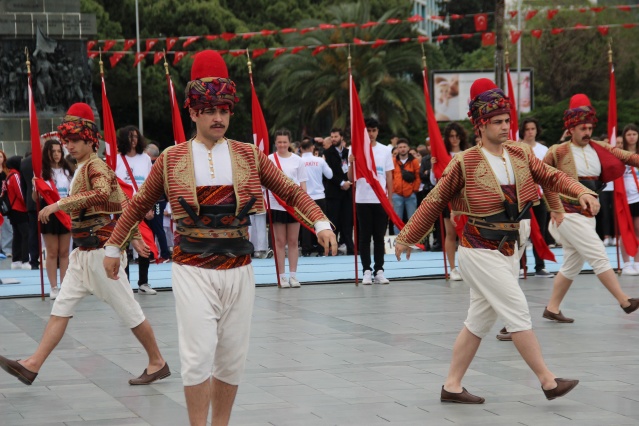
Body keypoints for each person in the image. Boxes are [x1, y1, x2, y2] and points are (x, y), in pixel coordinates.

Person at [101, 50, 336, 426]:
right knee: (197, 356)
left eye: (224, 110)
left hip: (240, 267)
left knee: (231, 357)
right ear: (193, 112)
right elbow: (137, 203)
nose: (218, 117)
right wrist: (115, 245)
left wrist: (321, 222)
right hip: (192, 267)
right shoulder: (171, 158)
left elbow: (290, 191)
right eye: (210, 110)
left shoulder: (250, 155)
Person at [395, 78, 598, 404]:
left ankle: (452, 386)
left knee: (478, 321)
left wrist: (582, 190)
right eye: (498, 122)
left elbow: (552, 176)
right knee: (517, 311)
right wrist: (408, 236)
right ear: (480, 125)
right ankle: (548, 381)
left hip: (509, 248)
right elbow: (435, 200)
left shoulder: (520, 152)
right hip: (478, 249)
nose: (506, 127)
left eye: (507, 120)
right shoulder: (464, 161)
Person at [0, 103, 169, 387]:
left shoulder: (95, 165)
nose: (70, 146)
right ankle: (33, 364)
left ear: (90, 140)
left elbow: (104, 193)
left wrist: (58, 204)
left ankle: (157, 362)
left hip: (103, 254)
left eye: (75, 141)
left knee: (130, 312)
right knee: (61, 308)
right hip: (82, 254)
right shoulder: (81, 168)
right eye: (67, 141)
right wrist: (137, 237)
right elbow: (122, 199)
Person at [543, 94, 639, 323]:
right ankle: (624, 300)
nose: (587, 132)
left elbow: (628, 157)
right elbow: (542, 177)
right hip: (566, 214)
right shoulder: (558, 151)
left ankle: (552, 308)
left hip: (588, 214)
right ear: (571, 128)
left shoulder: (600, 147)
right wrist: (554, 208)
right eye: (582, 128)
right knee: (598, 253)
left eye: (589, 127)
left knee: (572, 264)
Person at [348, 117, 394, 285]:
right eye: (368, 130)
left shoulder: (385, 150)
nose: (371, 133)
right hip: (362, 198)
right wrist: (351, 163)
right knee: (364, 237)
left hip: (380, 199)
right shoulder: (355, 149)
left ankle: (379, 270)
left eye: (374, 130)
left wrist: (389, 199)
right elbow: (351, 178)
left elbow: (389, 176)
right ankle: (366, 270)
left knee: (379, 237)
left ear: (377, 132)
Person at [115, 125, 157, 295]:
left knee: (145, 242)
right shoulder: (116, 159)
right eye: (130, 137)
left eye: (136, 137)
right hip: (123, 208)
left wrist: (150, 206)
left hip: (141, 207)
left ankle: (143, 282)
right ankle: (125, 282)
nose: (133, 140)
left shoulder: (145, 159)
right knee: (123, 244)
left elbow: (150, 184)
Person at [33, 139, 74, 299]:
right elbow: (35, 198)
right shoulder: (42, 172)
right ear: (47, 153)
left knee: (64, 252)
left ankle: (64, 285)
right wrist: (35, 187)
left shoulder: (67, 170)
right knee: (52, 252)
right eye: (53, 151)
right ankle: (54, 286)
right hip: (49, 215)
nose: (56, 154)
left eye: (58, 151)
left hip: (64, 213)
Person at [268, 129, 308, 287]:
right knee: (279, 241)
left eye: (285, 142)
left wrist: (303, 204)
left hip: (293, 205)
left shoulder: (298, 160)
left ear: (289, 143)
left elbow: (303, 183)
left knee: (293, 241)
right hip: (276, 205)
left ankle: (293, 275)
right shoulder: (270, 159)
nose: (282, 145)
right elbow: (265, 183)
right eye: (279, 142)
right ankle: (281, 276)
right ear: (275, 143)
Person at [431, 122, 470, 281]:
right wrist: (434, 167)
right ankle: (453, 268)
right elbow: (435, 182)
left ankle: (466, 268)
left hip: (466, 200)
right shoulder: (442, 155)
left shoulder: (468, 153)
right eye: (451, 136)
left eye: (457, 136)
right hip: (448, 200)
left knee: (466, 234)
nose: (454, 139)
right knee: (451, 233)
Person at [518, 118, 554, 278]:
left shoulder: (543, 150)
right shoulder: (516, 148)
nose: (530, 132)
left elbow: (547, 174)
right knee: (522, 232)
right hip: (522, 197)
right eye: (527, 129)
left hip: (539, 197)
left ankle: (540, 266)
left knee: (540, 230)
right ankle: (520, 266)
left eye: (533, 128)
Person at [323, 128, 354, 255]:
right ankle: (332, 248)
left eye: (336, 136)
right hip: (334, 192)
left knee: (347, 221)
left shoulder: (348, 153)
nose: (333, 139)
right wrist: (341, 183)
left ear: (341, 137)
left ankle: (350, 247)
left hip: (347, 192)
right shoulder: (327, 153)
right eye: (332, 137)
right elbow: (328, 173)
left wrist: (348, 183)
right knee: (333, 221)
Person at [300, 138, 333, 257]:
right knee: (322, 223)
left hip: (305, 196)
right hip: (319, 196)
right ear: (312, 147)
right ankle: (322, 249)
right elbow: (330, 175)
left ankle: (306, 249)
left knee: (306, 224)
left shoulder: (298, 161)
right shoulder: (319, 160)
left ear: (301, 148)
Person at [144, 143, 172, 263]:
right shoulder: (155, 164)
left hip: (157, 201)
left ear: (148, 154)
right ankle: (153, 253)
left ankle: (165, 254)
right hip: (156, 200)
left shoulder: (155, 165)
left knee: (158, 228)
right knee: (151, 228)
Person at [2, 155, 29, 269]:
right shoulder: (16, 175)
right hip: (19, 209)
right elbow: (20, 193)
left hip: (13, 210)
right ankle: (25, 260)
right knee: (25, 234)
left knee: (17, 235)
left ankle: (16, 259)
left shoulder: (8, 176)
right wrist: (27, 205)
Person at [619, 124, 639, 275]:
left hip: (638, 197)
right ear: (624, 137)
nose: (632, 136)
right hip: (623, 198)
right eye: (629, 134)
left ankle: (637, 262)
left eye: (634, 134)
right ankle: (626, 264)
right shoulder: (620, 155)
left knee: (638, 230)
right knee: (624, 231)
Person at [392, 138, 420, 233]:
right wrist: (393, 190)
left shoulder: (414, 161)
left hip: (410, 194)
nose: (402, 149)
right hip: (397, 194)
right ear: (397, 149)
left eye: (404, 147)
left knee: (412, 220)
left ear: (408, 148)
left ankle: (412, 241)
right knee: (397, 220)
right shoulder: (393, 161)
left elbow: (418, 176)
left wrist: (414, 189)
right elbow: (390, 177)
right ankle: (397, 241)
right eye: (400, 147)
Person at [20, 152, 40, 270]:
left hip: (30, 201)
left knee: (33, 232)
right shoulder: (45, 160)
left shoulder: (24, 163)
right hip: (42, 201)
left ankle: (34, 260)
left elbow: (23, 186)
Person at [0, 149, 10, 259]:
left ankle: (7, 248)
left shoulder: (7, 172)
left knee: (7, 225)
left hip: (5, 200)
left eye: (1, 157)